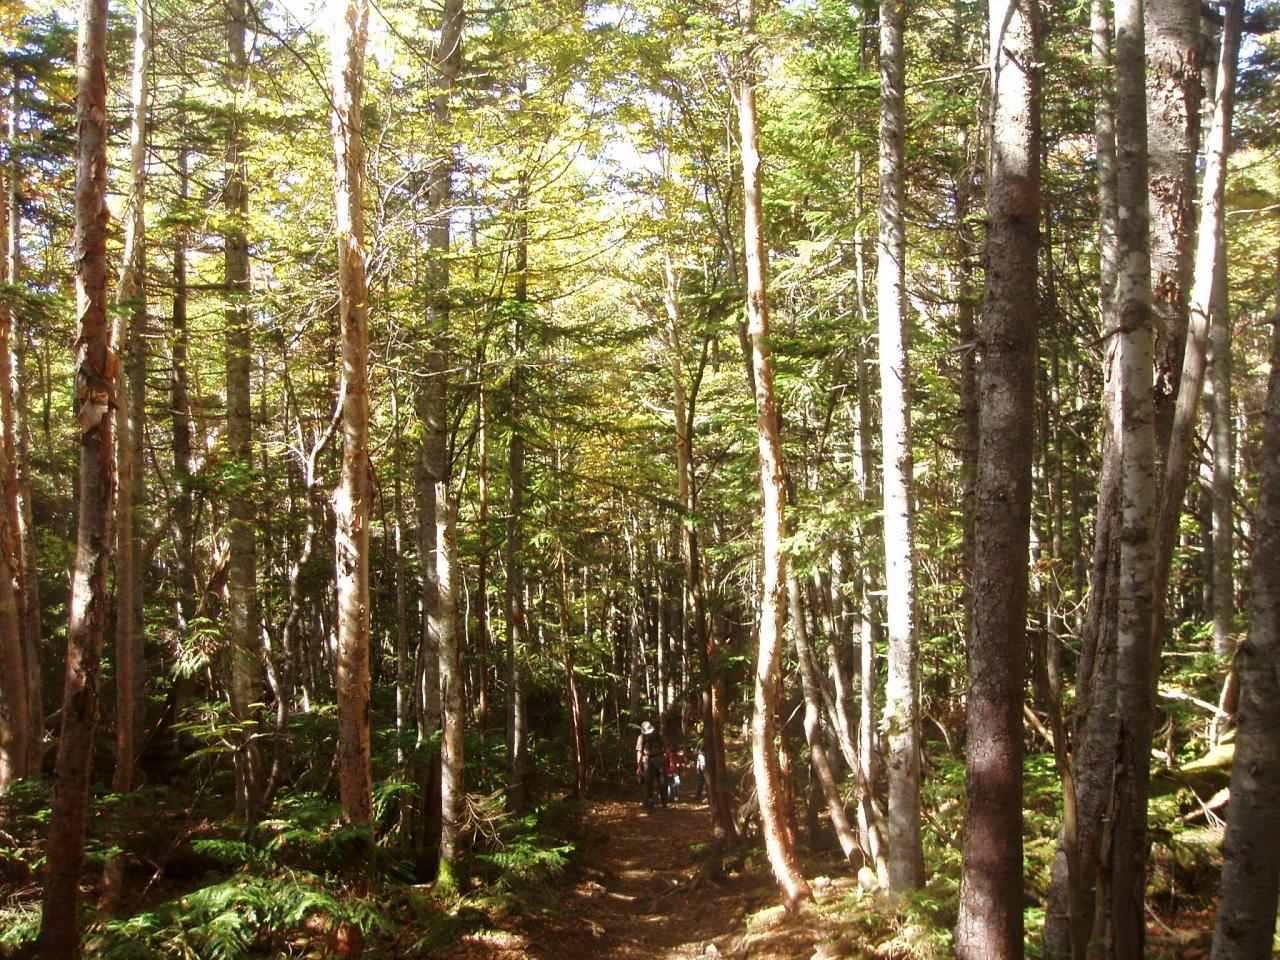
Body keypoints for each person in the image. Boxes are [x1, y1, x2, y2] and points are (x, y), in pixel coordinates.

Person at [635, 720, 667, 809]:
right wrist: (639, 767)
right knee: (648, 783)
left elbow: (666, 748)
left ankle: (664, 801)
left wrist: (670, 761)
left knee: (663, 783)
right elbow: (639, 752)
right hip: (648, 761)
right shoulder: (641, 738)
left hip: (660, 761)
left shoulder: (659, 735)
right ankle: (649, 803)